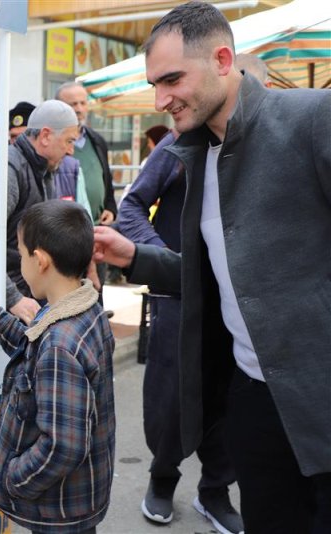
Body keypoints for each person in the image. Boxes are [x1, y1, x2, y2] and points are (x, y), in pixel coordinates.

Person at [94, 2, 331, 532]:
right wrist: (135, 257)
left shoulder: (313, 118)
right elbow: (221, 280)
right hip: (250, 403)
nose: (160, 99)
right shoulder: (192, 154)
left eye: (172, 79)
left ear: (223, 59)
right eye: (154, 83)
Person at [117, 133, 241, 532]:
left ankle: (215, 490)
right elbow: (131, 206)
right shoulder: (177, 144)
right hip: (177, 296)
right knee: (170, 393)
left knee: (227, 394)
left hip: (235, 295)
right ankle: (162, 476)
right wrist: (163, 258)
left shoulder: (256, 144)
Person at [0, 199, 115, 534]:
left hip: (60, 509)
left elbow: (63, 447)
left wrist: (13, 479)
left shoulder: (60, 344)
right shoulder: (81, 307)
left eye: (21, 254)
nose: (20, 262)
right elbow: (31, 353)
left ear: (40, 260)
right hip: (77, 498)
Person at [0, 100, 79, 325]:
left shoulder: (42, 168)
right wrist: (14, 298)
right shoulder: (4, 173)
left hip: (14, 294)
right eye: (69, 141)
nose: (71, 150)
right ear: (46, 136)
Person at [55, 82, 117, 226]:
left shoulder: (97, 140)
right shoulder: (53, 143)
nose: (79, 109)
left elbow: (106, 178)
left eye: (83, 103)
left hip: (99, 225)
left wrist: (110, 208)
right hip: (67, 228)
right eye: (73, 104)